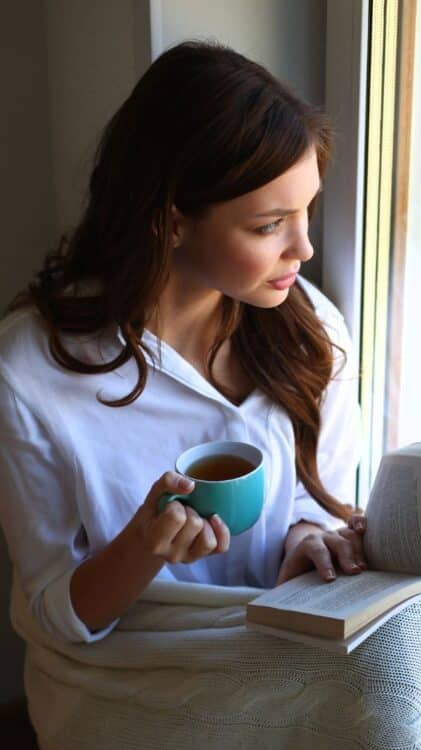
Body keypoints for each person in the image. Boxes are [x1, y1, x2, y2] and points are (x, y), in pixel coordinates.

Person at [0, 39, 367, 646]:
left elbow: (316, 501)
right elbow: (54, 615)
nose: (304, 250)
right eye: (269, 225)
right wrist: (144, 549)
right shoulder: (33, 374)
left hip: (278, 646)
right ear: (170, 220)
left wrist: (308, 538)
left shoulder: (310, 331)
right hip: (135, 672)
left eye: (307, 211)